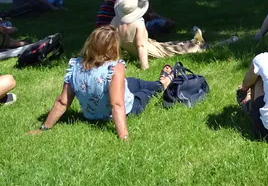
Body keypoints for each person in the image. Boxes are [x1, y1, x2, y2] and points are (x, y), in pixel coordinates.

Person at [35, 27, 173, 140]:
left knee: (133, 82)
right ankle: (162, 84)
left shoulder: (75, 65)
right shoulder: (115, 68)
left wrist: (44, 127)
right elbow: (117, 104)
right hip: (125, 110)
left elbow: (62, 102)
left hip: (91, 115)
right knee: (144, 93)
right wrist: (124, 136)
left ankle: (156, 83)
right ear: (113, 48)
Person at [111, 0, 207, 70]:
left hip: (140, 48)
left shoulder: (115, 21)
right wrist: (144, 66)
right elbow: (141, 46)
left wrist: (119, 60)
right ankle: (198, 47)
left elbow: (114, 42)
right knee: (171, 50)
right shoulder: (138, 24)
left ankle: (192, 41)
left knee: (166, 44)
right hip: (149, 52)